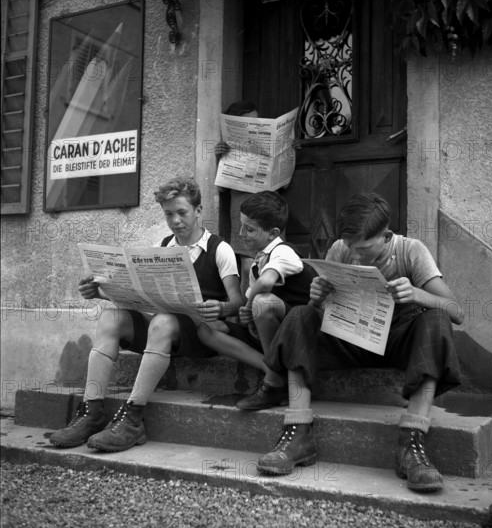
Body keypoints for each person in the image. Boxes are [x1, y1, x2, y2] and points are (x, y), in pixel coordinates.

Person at [254, 193, 464, 493]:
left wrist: (419, 295)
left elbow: (458, 312)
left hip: (396, 344)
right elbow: (319, 312)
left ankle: (412, 443)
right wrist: (316, 298)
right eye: (352, 248)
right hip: (349, 339)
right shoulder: (341, 249)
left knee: (437, 320)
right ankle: (298, 433)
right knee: (300, 314)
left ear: (387, 236)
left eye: (365, 249)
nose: (358, 255)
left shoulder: (411, 251)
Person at [49, 176, 249, 452]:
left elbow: (238, 301)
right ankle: (92, 411)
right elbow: (141, 298)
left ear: (199, 211)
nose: (176, 221)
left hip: (201, 334)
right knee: (113, 316)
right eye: (169, 214)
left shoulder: (219, 248)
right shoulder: (161, 247)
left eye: (182, 212)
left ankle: (132, 418)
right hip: (160, 329)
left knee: (164, 321)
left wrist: (223, 307)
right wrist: (100, 292)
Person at [198, 190, 315, 411]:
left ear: (272, 233)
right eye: (241, 226)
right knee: (206, 329)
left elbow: (265, 284)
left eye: (249, 229)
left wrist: (249, 306)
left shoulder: (284, 252)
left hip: (296, 335)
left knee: (262, 302)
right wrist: (242, 312)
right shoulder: (257, 263)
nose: (241, 233)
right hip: (268, 338)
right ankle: (272, 368)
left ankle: (273, 384)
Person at [215, 101, 259, 295]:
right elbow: (222, 188)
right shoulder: (226, 148)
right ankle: (245, 318)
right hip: (244, 212)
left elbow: (284, 183)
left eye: (256, 122)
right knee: (249, 267)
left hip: (269, 211)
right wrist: (221, 159)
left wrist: (290, 153)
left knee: (273, 263)